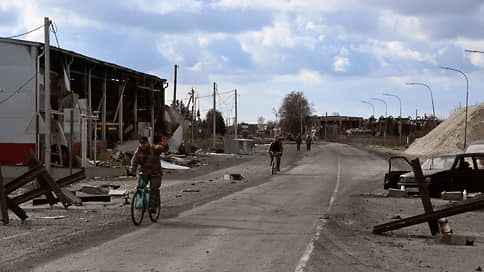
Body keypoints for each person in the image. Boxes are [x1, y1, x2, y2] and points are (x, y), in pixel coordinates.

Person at [129, 136, 165, 212]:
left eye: (144, 143)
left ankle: (153, 207)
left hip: (155, 173)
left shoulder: (154, 149)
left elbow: (162, 149)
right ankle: (143, 202)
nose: (143, 145)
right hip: (144, 173)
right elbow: (134, 162)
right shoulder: (138, 152)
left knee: (154, 189)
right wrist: (132, 171)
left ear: (148, 143)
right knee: (139, 188)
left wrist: (164, 145)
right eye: (141, 144)